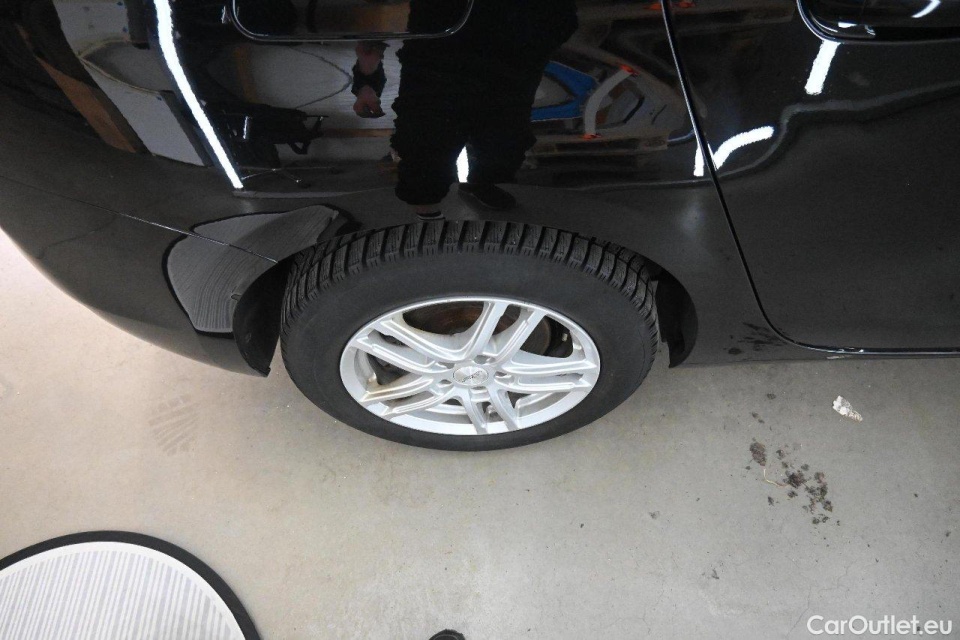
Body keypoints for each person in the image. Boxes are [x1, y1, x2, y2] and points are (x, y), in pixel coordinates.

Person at [352, 0, 579, 219]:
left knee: (503, 148)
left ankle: (478, 190)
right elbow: (377, 16)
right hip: (443, 60)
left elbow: (562, 19)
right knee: (425, 154)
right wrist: (367, 80)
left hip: (512, 61)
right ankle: (428, 219)